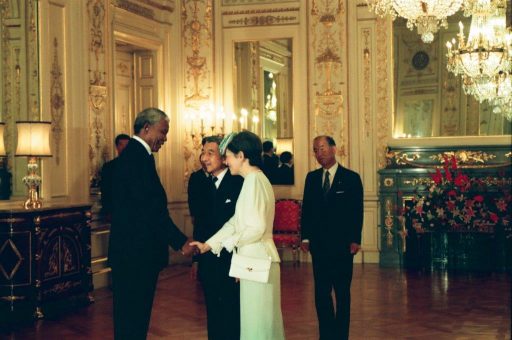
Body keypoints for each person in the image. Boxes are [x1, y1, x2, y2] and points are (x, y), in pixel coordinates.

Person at [109, 108, 197, 340]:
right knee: (133, 320)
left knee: (131, 320)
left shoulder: (135, 156)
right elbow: (151, 210)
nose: (165, 138)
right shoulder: (137, 158)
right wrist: (181, 241)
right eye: (163, 132)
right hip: (136, 256)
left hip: (131, 254)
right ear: (146, 128)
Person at [191, 131, 285, 340]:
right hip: (256, 258)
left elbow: (256, 228)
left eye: (229, 156)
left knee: (257, 322)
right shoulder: (256, 179)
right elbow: (235, 222)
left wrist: (225, 243)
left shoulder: (252, 181)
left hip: (256, 259)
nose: (226, 161)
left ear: (241, 156)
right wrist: (209, 244)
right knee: (257, 320)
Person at [300, 135, 363, 340]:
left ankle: (341, 335)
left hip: (344, 246)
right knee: (321, 293)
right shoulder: (311, 178)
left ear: (334, 149)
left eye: (323, 148)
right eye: (316, 150)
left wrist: (355, 239)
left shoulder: (351, 178)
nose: (320, 153)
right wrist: (305, 237)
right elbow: (307, 210)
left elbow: (357, 211)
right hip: (319, 246)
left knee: (343, 293)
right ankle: (326, 334)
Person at [189, 135, 243, 340]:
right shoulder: (199, 182)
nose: (204, 158)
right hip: (208, 257)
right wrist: (196, 260)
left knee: (233, 311)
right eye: (203, 152)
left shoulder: (239, 181)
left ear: (224, 155)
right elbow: (198, 223)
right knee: (212, 312)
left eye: (210, 153)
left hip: (232, 259)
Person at [99, 134, 130, 218]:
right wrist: (108, 210)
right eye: (121, 145)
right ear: (117, 147)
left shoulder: (137, 166)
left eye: (127, 145)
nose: (124, 148)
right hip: (115, 210)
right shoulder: (109, 167)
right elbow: (105, 190)